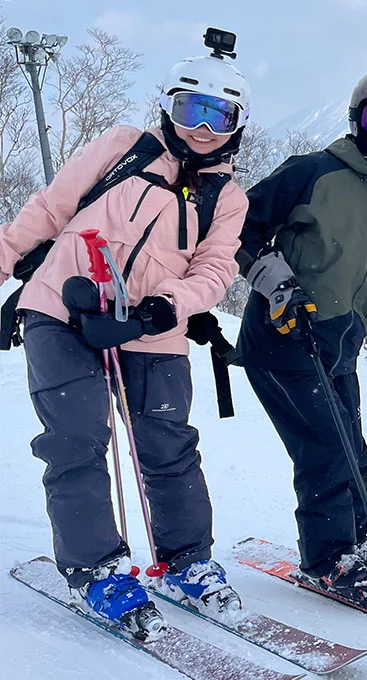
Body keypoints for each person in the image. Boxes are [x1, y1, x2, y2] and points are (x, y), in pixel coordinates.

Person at [0, 46, 251, 634]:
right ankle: (98, 568)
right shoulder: (122, 147)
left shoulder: (228, 198)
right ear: (168, 106)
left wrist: (167, 307)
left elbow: (215, 270)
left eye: (221, 116)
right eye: (192, 110)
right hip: (63, 309)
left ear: (238, 124)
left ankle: (187, 562)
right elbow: (48, 210)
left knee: (166, 444)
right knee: (78, 437)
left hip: (151, 328)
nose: (204, 129)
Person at [237, 68, 367, 610]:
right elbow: (239, 226)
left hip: (339, 347)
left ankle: (352, 546)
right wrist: (277, 285)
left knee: (353, 451)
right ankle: (328, 561)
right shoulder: (313, 173)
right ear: (357, 119)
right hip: (284, 339)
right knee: (327, 450)